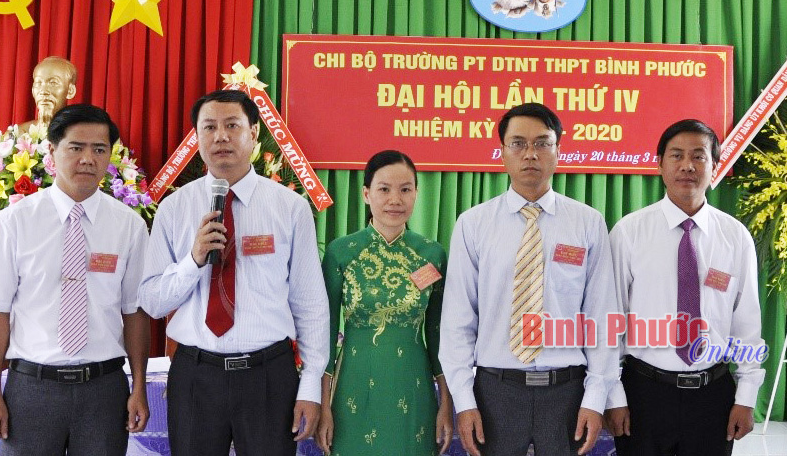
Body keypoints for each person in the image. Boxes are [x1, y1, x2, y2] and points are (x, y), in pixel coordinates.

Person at [139, 89, 329, 456]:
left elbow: (310, 303)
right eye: (209, 127)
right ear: (197, 136)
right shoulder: (174, 209)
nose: (221, 137)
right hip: (196, 375)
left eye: (232, 126)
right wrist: (193, 261)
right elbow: (152, 302)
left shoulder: (290, 207)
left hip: (268, 375)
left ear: (254, 133)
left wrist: (309, 386)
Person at [0, 104, 151, 455]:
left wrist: (139, 385)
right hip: (32, 388)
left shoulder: (129, 226)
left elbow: (135, 313)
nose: (88, 159)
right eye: (76, 147)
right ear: (52, 151)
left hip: (104, 389)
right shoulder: (13, 223)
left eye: (99, 149)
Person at [440, 102, 619, 456]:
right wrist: (464, 401)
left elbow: (602, 318)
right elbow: (458, 321)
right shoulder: (473, 225)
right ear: (502, 151)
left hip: (567, 393)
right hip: (496, 392)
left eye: (542, 143)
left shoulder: (587, 223)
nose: (530, 154)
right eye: (518, 143)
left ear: (558, 150)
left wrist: (596, 398)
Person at [604, 119, 765, 455]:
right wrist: (614, 396)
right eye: (676, 155)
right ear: (660, 164)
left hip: (713, 396)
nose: (687, 166)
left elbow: (746, 322)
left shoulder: (734, 237)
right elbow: (610, 318)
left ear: (715, 166)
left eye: (699, 156)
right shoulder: (630, 232)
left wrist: (747, 396)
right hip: (644, 394)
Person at [316, 150, 454, 456]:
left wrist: (446, 403)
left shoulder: (432, 254)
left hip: (413, 385)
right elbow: (324, 334)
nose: (395, 199)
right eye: (384, 189)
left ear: (416, 193)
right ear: (366, 194)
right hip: (353, 385)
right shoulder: (342, 252)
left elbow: (438, 334)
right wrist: (323, 405)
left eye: (405, 189)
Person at [17, 56, 77, 134]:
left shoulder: (79, 133)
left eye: (53, 83)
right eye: (38, 83)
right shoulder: (17, 134)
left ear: (70, 91)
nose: (43, 91)